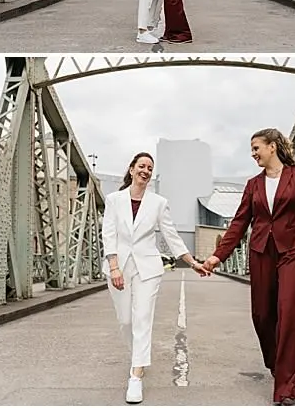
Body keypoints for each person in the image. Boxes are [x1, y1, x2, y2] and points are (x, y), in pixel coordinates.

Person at [203, 129, 295, 406]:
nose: (253, 153)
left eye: (256, 147)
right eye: (252, 149)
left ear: (273, 146)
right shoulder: (253, 184)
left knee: (288, 315)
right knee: (262, 315)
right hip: (261, 254)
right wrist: (217, 256)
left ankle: (287, 388)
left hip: (292, 253)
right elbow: (239, 223)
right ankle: (276, 363)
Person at [101, 152, 211, 404]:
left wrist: (192, 262)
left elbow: (171, 236)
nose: (146, 170)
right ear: (131, 170)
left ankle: (136, 375)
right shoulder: (114, 200)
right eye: (142, 166)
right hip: (118, 267)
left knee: (142, 318)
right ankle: (137, 357)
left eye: (150, 167)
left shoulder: (158, 203)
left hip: (148, 268)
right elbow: (109, 233)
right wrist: (114, 266)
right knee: (126, 321)